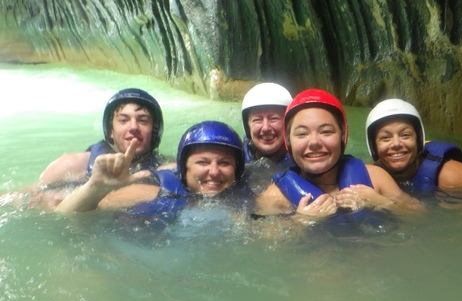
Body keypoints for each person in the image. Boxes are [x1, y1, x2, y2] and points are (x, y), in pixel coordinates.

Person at [254, 89, 423, 224]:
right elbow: (264, 245)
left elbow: (421, 216)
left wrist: (381, 203)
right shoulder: (275, 197)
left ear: (343, 137)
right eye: (302, 133)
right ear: (288, 141)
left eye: (326, 131)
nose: (314, 142)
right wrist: (300, 221)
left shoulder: (375, 178)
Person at [21, 88, 169, 210]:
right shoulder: (72, 164)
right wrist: (41, 201)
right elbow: (20, 197)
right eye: (123, 120)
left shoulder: (170, 169)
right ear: (110, 130)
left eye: (143, 121)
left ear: (155, 131)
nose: (133, 127)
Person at [55, 121, 248, 214]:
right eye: (202, 162)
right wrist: (96, 188)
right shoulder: (154, 191)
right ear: (184, 168)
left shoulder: (246, 197)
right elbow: (65, 214)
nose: (214, 172)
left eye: (224, 163)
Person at [365, 98, 462, 197]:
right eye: (385, 138)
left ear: (418, 140)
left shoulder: (449, 175)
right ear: (374, 146)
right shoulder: (371, 175)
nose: (396, 144)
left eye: (405, 135)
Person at [240, 82, 293, 166]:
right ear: (247, 126)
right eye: (257, 120)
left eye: (273, 119)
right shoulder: (237, 158)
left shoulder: (302, 160)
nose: (265, 128)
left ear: (288, 123)